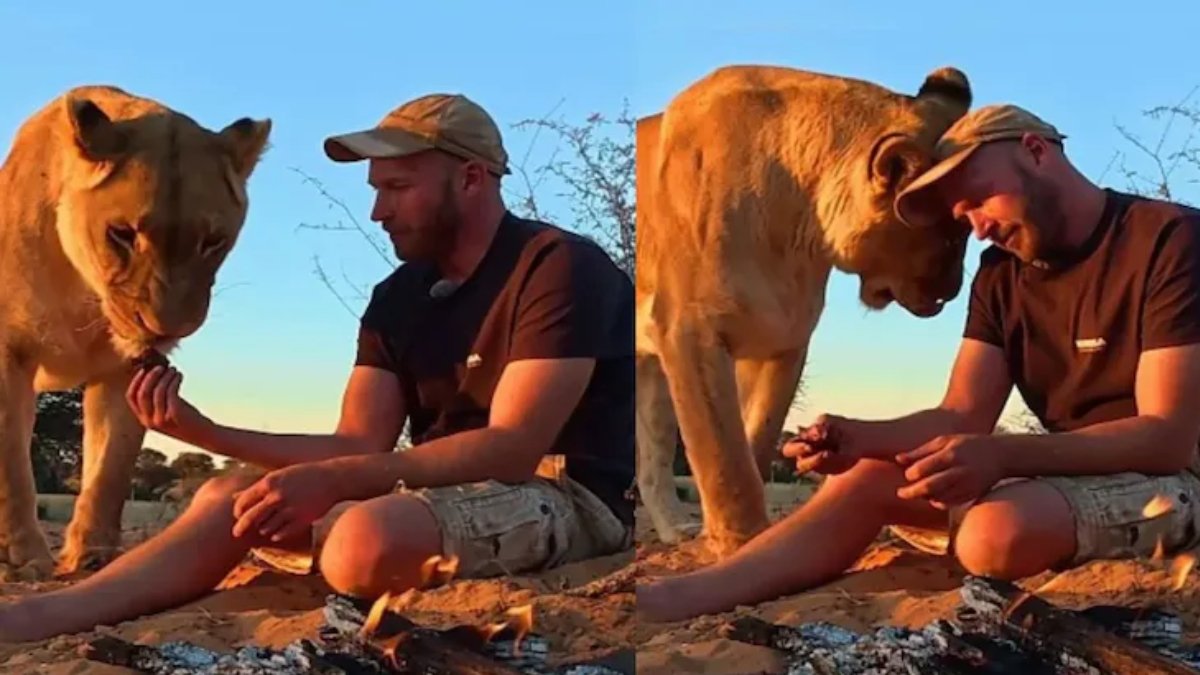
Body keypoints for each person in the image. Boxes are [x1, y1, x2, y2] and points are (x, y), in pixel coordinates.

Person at [0, 92, 635, 641]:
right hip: (431, 494)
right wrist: (201, 432)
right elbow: (356, 442)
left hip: (563, 495)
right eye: (376, 190)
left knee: (362, 538)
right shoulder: (399, 296)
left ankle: (339, 547)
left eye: (397, 188)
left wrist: (334, 482)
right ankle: (52, 613)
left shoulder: (557, 267)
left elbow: (511, 449)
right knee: (233, 497)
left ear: (471, 179)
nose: (378, 212)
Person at [637, 103, 1200, 623]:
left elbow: (1165, 438)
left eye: (978, 198)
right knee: (869, 478)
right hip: (1071, 476)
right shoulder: (1000, 275)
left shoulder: (1169, 240)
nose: (976, 226)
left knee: (992, 534)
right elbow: (959, 415)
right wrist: (861, 439)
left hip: (1178, 477)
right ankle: (687, 597)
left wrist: (1000, 455)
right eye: (961, 216)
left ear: (1035, 151)